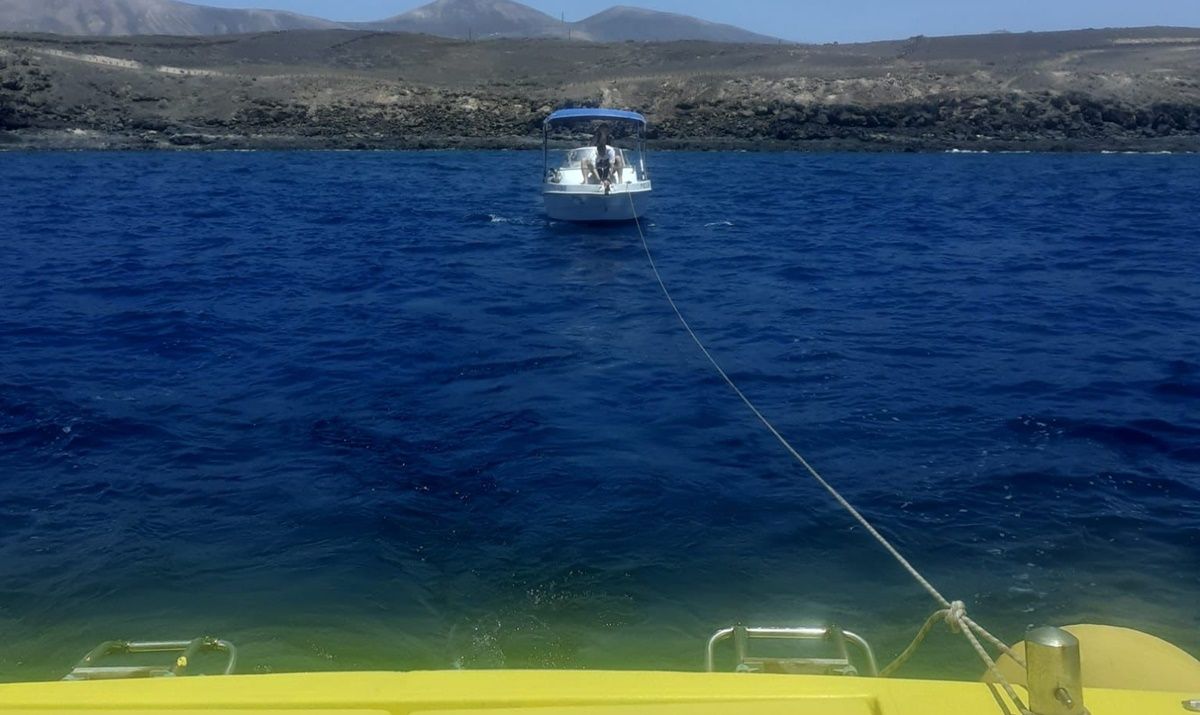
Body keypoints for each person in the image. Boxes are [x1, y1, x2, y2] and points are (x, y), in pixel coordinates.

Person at [580, 126, 625, 194]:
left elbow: (611, 165)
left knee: (618, 158)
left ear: (605, 149)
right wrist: (599, 180)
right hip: (598, 170)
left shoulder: (610, 151)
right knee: (584, 160)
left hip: (607, 169)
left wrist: (608, 178)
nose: (602, 155)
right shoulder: (594, 153)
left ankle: (620, 181)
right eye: (600, 153)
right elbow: (593, 168)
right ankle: (586, 182)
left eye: (603, 152)